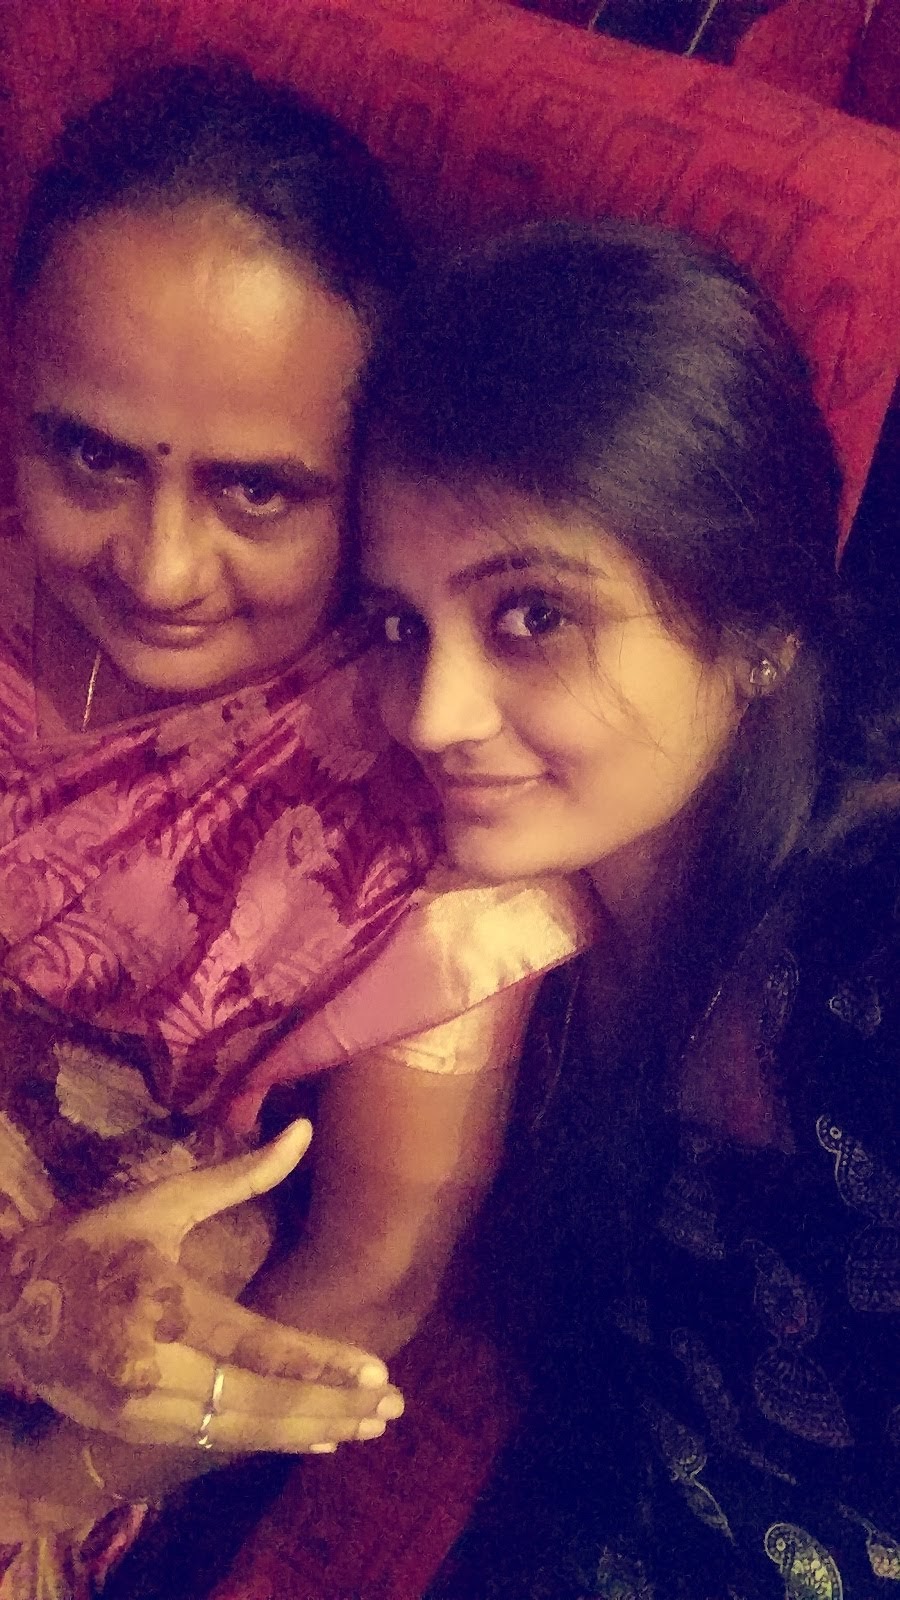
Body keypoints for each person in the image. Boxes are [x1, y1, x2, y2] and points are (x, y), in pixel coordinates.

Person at [0, 66, 588, 1597]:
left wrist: (39, 1483)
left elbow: (370, 1281)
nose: (159, 568)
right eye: (90, 455)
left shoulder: (428, 806)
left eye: (259, 491)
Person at [356, 220, 900, 1599]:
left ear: (761, 628)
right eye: (400, 623)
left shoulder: (868, 951)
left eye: (534, 615)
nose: (431, 715)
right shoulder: (480, 930)